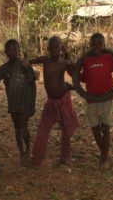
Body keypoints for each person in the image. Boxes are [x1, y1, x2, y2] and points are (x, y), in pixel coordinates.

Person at [0, 39, 36, 166]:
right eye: (10, 49)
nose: (13, 52)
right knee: (17, 128)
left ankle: (28, 149)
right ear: (6, 52)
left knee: (23, 126)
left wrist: (32, 104)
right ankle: (21, 152)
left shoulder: (25, 65)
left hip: (25, 102)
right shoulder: (4, 68)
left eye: (15, 49)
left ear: (19, 50)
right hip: (13, 103)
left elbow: (32, 82)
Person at [79, 32, 113, 169]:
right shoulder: (87, 60)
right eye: (93, 44)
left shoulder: (109, 58)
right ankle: (104, 152)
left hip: (106, 98)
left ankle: (104, 157)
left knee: (105, 129)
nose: (96, 47)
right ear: (90, 45)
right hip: (91, 100)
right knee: (95, 129)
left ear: (104, 45)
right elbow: (83, 78)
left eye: (99, 44)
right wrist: (73, 72)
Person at [28, 36, 79, 166]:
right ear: (48, 48)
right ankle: (37, 158)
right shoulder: (45, 60)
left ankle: (66, 157)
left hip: (64, 99)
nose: (54, 49)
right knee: (42, 131)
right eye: (52, 47)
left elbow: (74, 73)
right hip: (51, 102)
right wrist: (24, 62)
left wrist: (67, 54)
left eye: (57, 47)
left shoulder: (64, 62)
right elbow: (30, 61)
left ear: (61, 48)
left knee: (66, 129)